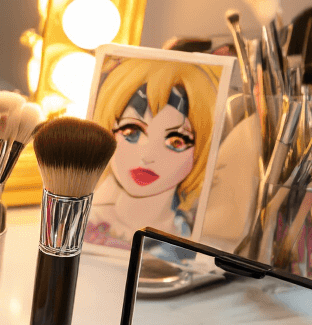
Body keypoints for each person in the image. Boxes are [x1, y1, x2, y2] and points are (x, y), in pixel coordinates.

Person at [87, 57, 221, 250]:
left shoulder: (188, 243)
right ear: (108, 130)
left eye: (176, 141)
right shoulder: (84, 224)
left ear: (202, 149)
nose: (148, 156)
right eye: (132, 132)